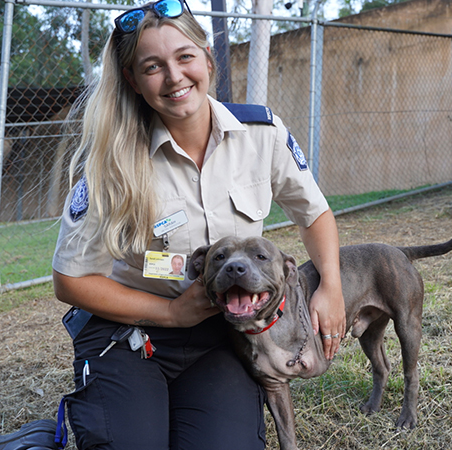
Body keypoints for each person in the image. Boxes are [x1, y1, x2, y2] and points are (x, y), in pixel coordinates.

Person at [51, 0, 346, 448]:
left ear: (208, 57)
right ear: (132, 79)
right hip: (131, 331)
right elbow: (70, 281)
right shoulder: (111, 163)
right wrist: (170, 312)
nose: (174, 77)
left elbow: (314, 213)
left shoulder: (261, 134)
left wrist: (332, 286)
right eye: (153, 66)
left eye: (185, 57)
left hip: (218, 334)